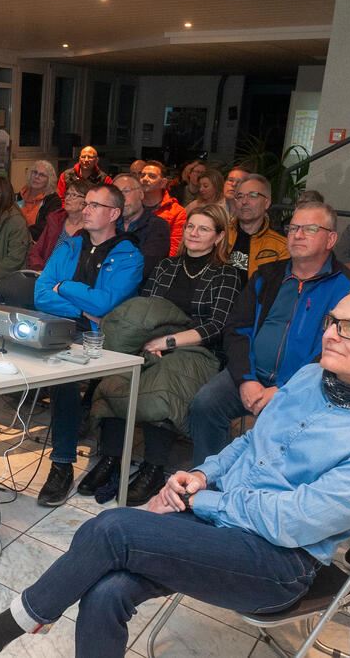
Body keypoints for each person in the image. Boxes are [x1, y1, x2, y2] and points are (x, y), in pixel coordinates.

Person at [0, 287, 350, 658]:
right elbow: (250, 447)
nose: (334, 334)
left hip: (278, 563)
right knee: (107, 590)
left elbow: (294, 523)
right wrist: (203, 476)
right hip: (224, 521)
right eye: (334, 321)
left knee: (112, 528)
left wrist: (203, 503)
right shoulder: (310, 377)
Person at [0, 185, 143, 507]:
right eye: (84, 203)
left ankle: (61, 464)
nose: (85, 210)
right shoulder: (70, 245)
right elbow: (42, 292)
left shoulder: (129, 255)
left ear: (114, 213)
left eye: (94, 205)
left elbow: (105, 304)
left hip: (91, 338)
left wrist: (67, 289)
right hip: (55, 321)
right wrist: (78, 302)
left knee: (65, 383)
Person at [82, 203, 242, 505]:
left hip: (198, 350)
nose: (194, 233)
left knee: (165, 385)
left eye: (204, 229)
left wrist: (168, 342)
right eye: (191, 227)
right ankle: (111, 457)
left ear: (219, 236)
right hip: (151, 342)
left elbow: (217, 326)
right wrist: (148, 342)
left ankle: (153, 467)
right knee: (118, 377)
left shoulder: (227, 274)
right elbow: (146, 311)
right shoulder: (166, 266)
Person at [187, 203, 350, 465]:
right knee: (205, 404)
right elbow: (237, 329)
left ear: (331, 239)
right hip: (252, 374)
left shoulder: (349, 287)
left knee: (286, 428)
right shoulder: (267, 275)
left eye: (310, 229)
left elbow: (340, 349)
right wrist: (246, 379)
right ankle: (205, 485)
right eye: (293, 228)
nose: (298, 235)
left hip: (308, 385)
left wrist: (284, 389)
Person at [226, 173, 289, 285]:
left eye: (253, 195)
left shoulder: (282, 247)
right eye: (240, 196)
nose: (244, 201)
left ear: (267, 203)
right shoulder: (221, 234)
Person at [113, 173, 170, 279]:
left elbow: (145, 268)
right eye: (116, 193)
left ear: (141, 194)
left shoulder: (157, 226)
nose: (121, 198)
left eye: (126, 191)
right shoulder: (109, 223)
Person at [27, 179, 91, 271]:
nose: (68, 198)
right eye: (67, 194)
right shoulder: (55, 220)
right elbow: (36, 252)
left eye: (73, 195)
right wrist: (40, 269)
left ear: (86, 201)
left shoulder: (90, 228)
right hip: (43, 273)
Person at [139, 161, 187, 257]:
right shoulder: (130, 206)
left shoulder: (177, 212)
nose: (144, 179)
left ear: (163, 183)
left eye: (151, 176)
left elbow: (175, 249)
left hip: (159, 266)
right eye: (142, 175)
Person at [17, 160, 61, 241]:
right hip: (15, 239)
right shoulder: (20, 195)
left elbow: (47, 226)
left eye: (42, 175)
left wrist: (21, 233)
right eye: (35, 172)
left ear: (49, 180)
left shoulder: (53, 200)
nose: (36, 177)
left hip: (36, 243)